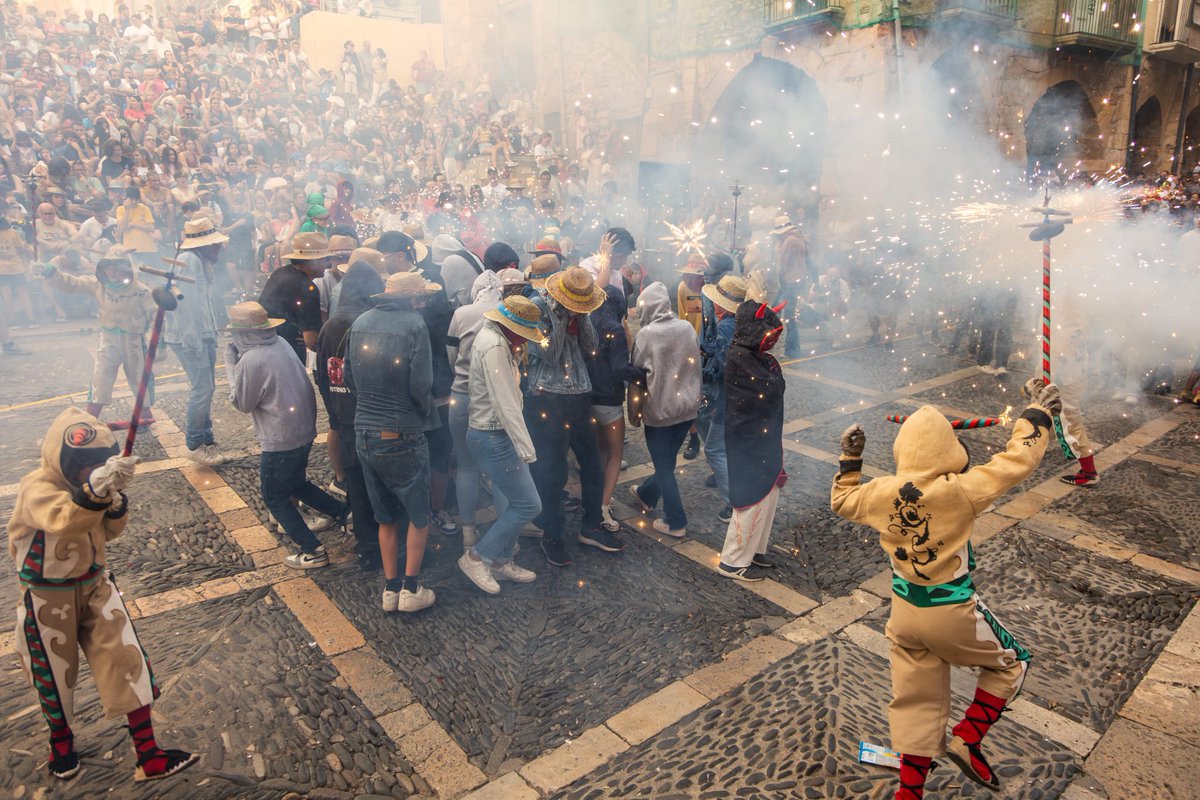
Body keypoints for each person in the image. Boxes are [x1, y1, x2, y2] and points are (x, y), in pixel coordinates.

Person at [830, 381, 1063, 800]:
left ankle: (909, 794)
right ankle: (968, 739)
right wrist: (1036, 416)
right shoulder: (959, 491)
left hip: (903, 614)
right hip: (952, 610)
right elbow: (1016, 462)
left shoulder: (881, 491)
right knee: (1013, 664)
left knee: (916, 704)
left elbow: (843, 501)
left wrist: (851, 459)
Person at [8, 408, 197, 783]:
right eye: (84, 466)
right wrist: (96, 492)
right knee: (52, 672)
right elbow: (64, 519)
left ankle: (148, 754)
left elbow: (108, 533)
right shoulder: (38, 487)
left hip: (95, 584)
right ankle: (60, 743)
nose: (87, 473)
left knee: (127, 661)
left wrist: (114, 504)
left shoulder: (91, 486)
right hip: (48, 596)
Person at [346, 271, 443, 613]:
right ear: (411, 298)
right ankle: (412, 588)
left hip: (365, 433)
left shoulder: (359, 322)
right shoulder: (414, 324)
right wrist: (424, 413)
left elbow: (348, 377)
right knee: (419, 515)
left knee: (385, 516)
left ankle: (390, 590)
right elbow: (421, 384)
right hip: (402, 432)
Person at [225, 301, 348, 569]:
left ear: (241, 334)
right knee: (295, 483)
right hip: (302, 430)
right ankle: (343, 513)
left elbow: (242, 402)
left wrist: (230, 366)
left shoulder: (251, 360)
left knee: (275, 497)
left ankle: (312, 550)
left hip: (280, 438)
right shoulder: (280, 344)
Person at [525, 265, 617, 565]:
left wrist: (581, 317)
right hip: (547, 398)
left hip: (579, 395)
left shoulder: (581, 309)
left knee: (592, 465)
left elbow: (592, 348)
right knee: (552, 471)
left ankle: (591, 525)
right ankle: (552, 534)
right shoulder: (537, 308)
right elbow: (549, 355)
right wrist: (563, 320)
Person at [458, 295, 546, 594]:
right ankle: (477, 556)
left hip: (492, 434)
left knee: (512, 501)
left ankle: (501, 560)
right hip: (493, 435)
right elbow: (505, 402)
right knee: (528, 504)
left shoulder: (492, 338)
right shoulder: (495, 346)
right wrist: (526, 448)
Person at [316, 261, 387, 572]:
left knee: (358, 487)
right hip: (374, 419)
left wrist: (333, 414)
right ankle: (388, 546)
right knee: (382, 487)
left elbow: (322, 374)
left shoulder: (330, 326)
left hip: (345, 421)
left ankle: (369, 548)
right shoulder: (372, 323)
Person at [42, 247, 157, 422]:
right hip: (108, 338)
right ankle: (91, 419)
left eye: (117, 266)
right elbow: (72, 283)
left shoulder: (142, 291)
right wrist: (51, 273)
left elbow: (157, 317)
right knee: (101, 375)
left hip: (133, 339)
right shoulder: (98, 285)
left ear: (128, 268)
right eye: (108, 266)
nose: (111, 271)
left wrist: (160, 343)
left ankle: (145, 412)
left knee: (138, 374)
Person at [716, 299, 787, 581]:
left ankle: (755, 548)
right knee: (752, 498)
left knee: (768, 494)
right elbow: (771, 389)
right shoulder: (740, 356)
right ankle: (733, 560)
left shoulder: (755, 356)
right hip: (749, 442)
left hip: (764, 439)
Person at [627, 281, 702, 538]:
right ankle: (646, 495)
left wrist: (634, 411)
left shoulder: (646, 335)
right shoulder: (686, 327)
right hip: (686, 409)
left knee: (663, 466)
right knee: (667, 460)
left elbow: (636, 372)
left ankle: (676, 521)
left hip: (659, 411)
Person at [446, 270, 505, 546]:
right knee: (502, 467)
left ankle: (468, 534)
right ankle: (506, 538)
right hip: (495, 397)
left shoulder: (461, 313)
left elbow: (452, 355)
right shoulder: (507, 311)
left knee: (466, 466)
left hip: (461, 394)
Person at [164, 217, 227, 466]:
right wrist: (193, 341)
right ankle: (193, 444)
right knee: (202, 388)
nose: (219, 249)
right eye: (215, 245)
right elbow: (184, 305)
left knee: (207, 386)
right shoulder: (190, 261)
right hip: (191, 335)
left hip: (204, 332)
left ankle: (206, 438)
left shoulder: (200, 261)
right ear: (203, 245)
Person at [585, 284, 640, 533]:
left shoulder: (586, 321)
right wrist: (642, 375)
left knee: (598, 452)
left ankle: (595, 499)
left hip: (585, 398)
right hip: (609, 401)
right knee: (615, 455)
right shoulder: (614, 328)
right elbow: (619, 368)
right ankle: (603, 507)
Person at [699, 273, 747, 522]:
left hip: (726, 398)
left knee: (714, 449)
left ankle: (733, 504)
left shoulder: (727, 327)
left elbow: (720, 367)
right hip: (739, 395)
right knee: (722, 443)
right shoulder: (739, 322)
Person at [258, 232, 328, 362]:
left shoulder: (279, 273)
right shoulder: (308, 288)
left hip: (264, 347)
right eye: (324, 259)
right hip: (288, 353)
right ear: (312, 261)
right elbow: (311, 340)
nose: (327, 264)